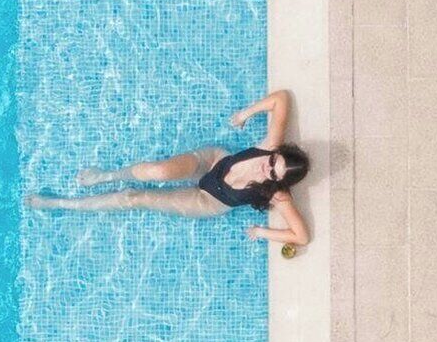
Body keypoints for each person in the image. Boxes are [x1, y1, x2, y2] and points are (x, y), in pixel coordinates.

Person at [28, 89, 313, 256]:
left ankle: (62, 203)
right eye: (273, 160)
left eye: (273, 173)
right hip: (213, 161)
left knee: (135, 198)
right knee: (158, 170)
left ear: (279, 182)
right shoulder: (270, 146)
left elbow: (301, 236)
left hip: (210, 200)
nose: (267, 166)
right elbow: (282, 99)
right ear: (276, 152)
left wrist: (263, 233)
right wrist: (246, 114)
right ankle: (106, 175)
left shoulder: (279, 196)